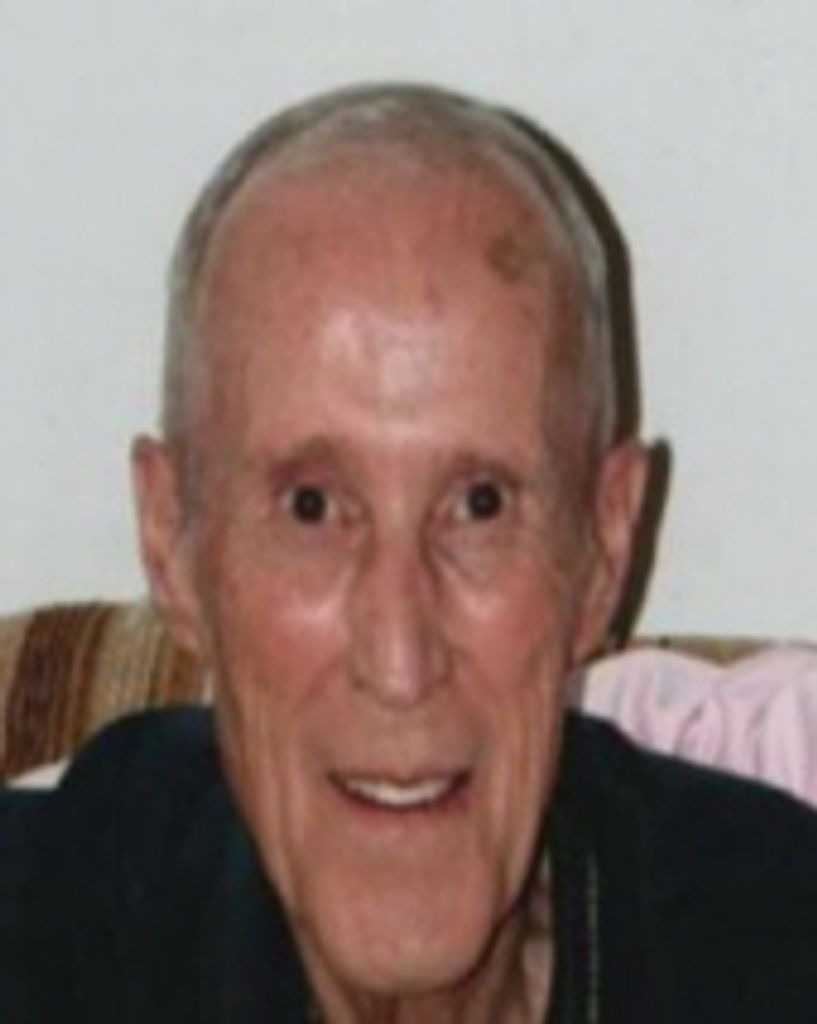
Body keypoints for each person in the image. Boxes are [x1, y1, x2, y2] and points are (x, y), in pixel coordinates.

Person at [3, 82, 817, 1023]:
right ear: (171, 538)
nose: (399, 661)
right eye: (311, 507)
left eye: (479, 506)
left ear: (603, 546)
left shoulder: (775, 948)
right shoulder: (49, 922)